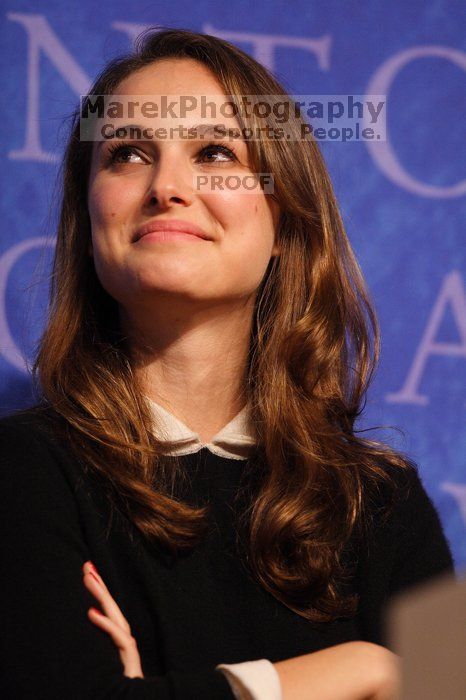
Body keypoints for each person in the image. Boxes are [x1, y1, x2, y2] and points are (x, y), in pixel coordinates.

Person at [0, 26, 456, 700]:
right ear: (88, 216)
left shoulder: (386, 505)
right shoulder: (24, 471)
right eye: (126, 153)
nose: (167, 187)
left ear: (285, 219)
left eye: (215, 151)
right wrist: (365, 668)